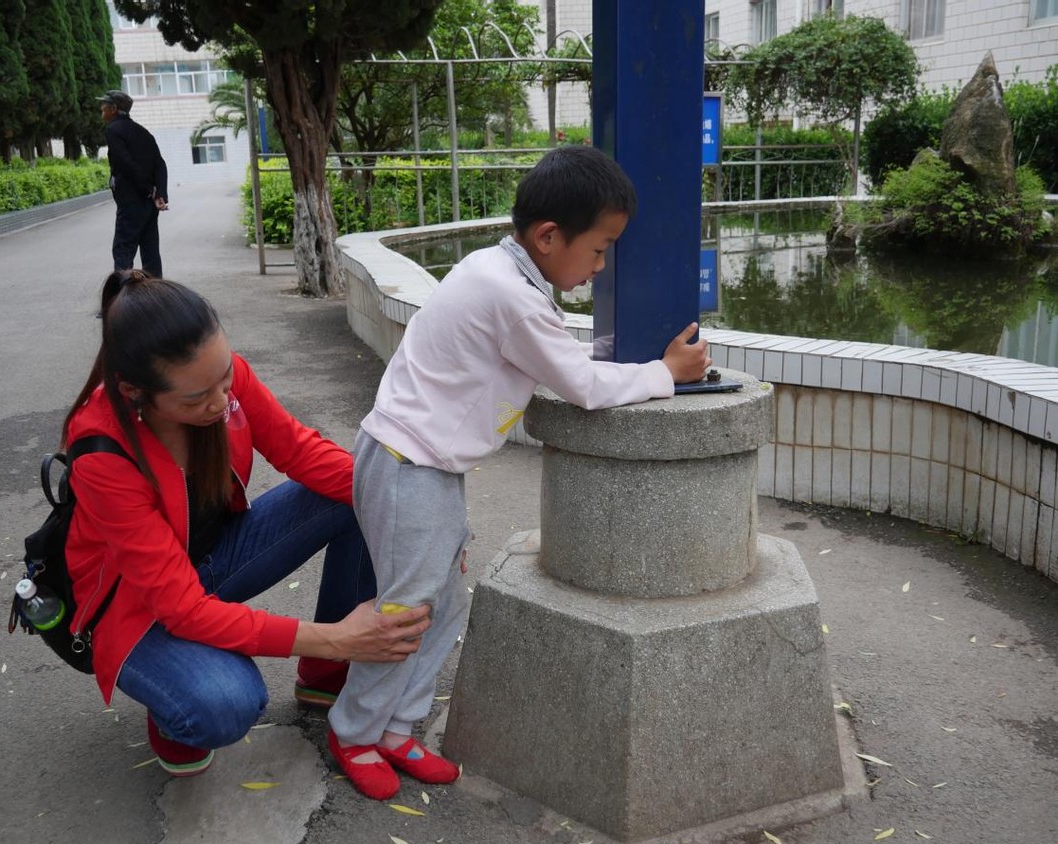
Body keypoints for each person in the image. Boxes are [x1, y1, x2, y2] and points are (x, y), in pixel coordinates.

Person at [326, 145, 712, 800]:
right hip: (407, 465)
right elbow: (582, 384)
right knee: (406, 608)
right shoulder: (512, 296)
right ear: (548, 236)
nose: (599, 266)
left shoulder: (497, 272)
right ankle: (355, 731)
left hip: (421, 464)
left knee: (438, 603)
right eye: (598, 250)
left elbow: (556, 357)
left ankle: (396, 729)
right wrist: (667, 374)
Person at [63, 270, 430, 776]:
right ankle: (174, 716)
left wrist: (425, 521)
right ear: (134, 393)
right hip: (141, 606)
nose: (219, 402)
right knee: (225, 703)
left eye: (225, 380)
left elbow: (299, 450)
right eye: (195, 399)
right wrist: (338, 635)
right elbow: (181, 608)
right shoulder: (101, 453)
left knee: (358, 496)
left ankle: (324, 677)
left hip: (210, 560)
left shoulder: (216, 378)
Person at [98, 90, 168, 277]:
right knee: (150, 251)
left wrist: (146, 189)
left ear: (114, 109)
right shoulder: (143, 132)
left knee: (123, 251)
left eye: (104, 105)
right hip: (149, 204)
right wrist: (159, 193)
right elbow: (160, 164)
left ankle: (123, 294)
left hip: (131, 202)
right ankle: (156, 293)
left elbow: (125, 162)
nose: (101, 109)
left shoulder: (113, 130)